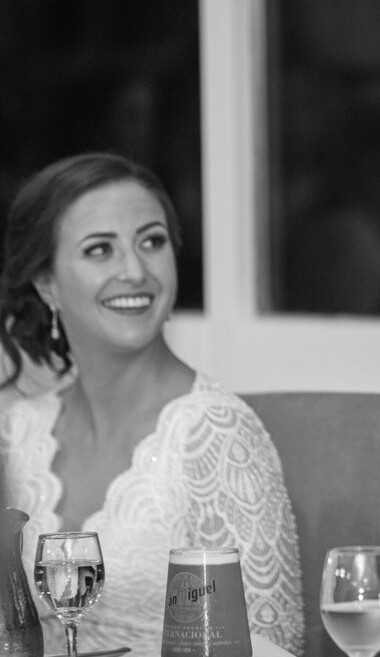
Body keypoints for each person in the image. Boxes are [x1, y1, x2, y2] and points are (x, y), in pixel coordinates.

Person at [0, 153, 304, 657]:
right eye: (100, 249)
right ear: (46, 282)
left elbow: (272, 644)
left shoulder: (215, 431)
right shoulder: (17, 431)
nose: (135, 270)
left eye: (152, 242)